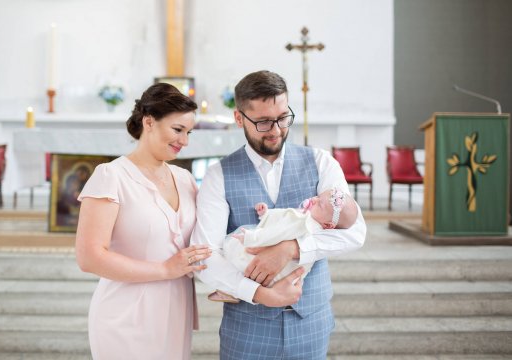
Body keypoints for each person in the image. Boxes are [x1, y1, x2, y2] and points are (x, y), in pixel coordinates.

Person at [191, 70, 366, 359]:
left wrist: (292, 249)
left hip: (310, 321)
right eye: (262, 122)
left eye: (283, 117)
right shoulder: (218, 176)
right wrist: (259, 293)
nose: (276, 129)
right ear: (239, 119)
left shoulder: (322, 163)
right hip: (248, 328)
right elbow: (205, 256)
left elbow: (355, 231)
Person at [75, 83, 212, 360]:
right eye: (177, 130)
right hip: (126, 316)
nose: (184, 141)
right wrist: (164, 269)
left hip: (176, 312)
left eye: (188, 132)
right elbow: (89, 257)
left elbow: (204, 239)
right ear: (149, 122)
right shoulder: (111, 176)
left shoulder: (185, 180)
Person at [208, 187, 358, 303]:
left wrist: (250, 237)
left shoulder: (305, 222)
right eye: (318, 197)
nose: (314, 199)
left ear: (328, 224)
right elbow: (285, 217)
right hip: (288, 276)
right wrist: (266, 214)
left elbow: (275, 233)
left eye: (320, 204)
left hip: (274, 264)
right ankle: (233, 291)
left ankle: (230, 291)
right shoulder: (316, 224)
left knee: (237, 254)